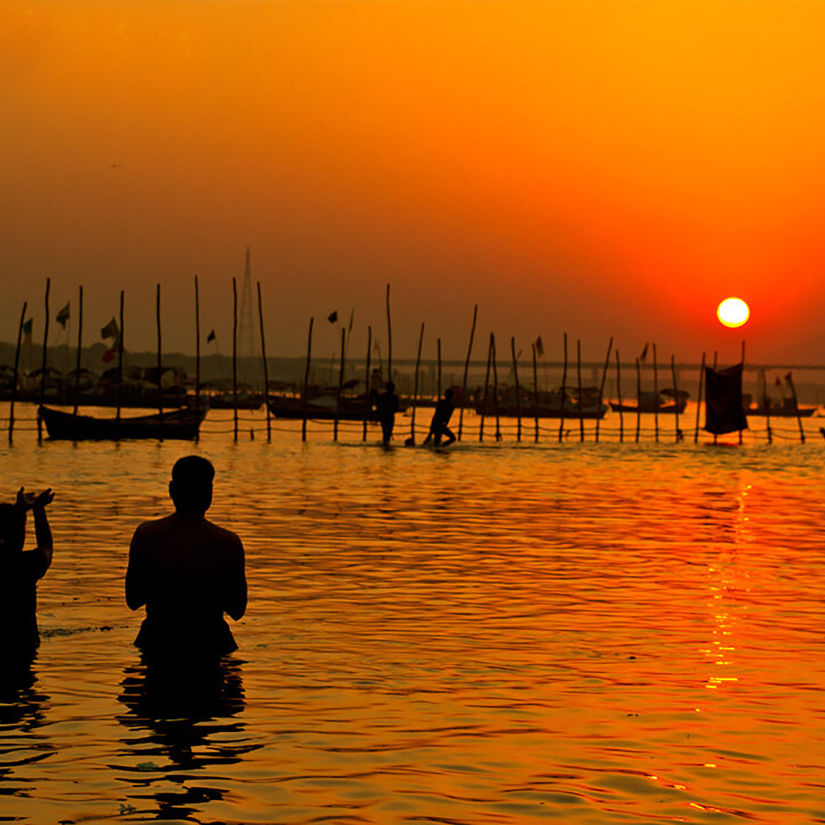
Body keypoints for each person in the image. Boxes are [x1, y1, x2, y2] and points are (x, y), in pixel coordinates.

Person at [126, 456, 246, 662]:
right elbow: (237, 609)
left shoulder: (147, 535)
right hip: (210, 641)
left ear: (172, 490)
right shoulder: (227, 542)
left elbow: (133, 599)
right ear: (209, 494)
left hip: (158, 639)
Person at [0, 487, 55, 661]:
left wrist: (19, 512)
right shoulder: (25, 566)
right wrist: (38, 510)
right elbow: (46, 547)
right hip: (23, 650)